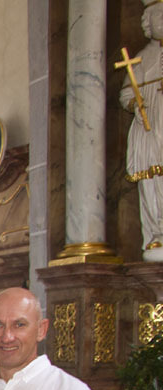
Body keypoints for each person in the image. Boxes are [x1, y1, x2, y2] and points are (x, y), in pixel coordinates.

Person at [121, 1, 163, 256]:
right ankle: (157, 233)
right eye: (159, 17)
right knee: (151, 180)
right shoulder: (142, 58)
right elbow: (126, 92)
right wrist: (135, 103)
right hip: (149, 128)